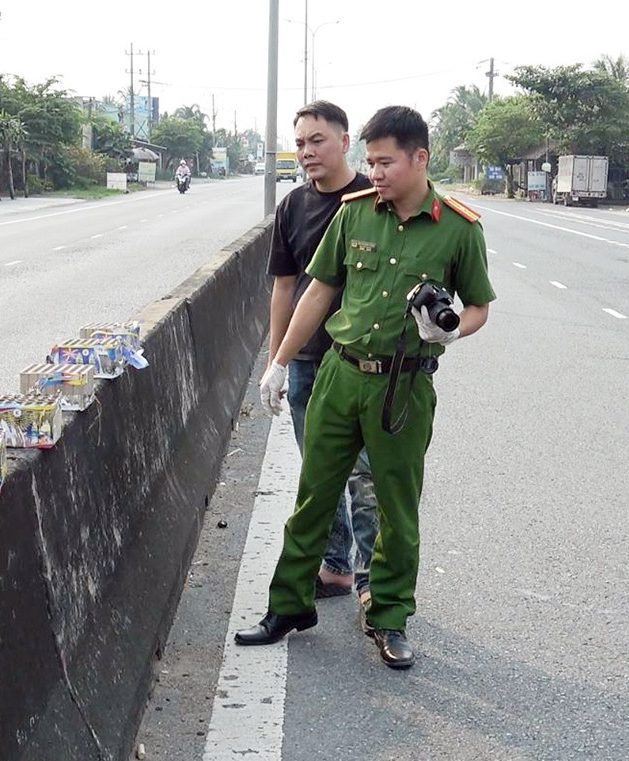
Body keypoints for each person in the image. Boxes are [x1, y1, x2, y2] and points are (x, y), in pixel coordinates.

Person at [234, 106, 496, 669]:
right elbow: (317, 291)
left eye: (385, 162)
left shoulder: (458, 227)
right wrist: (278, 361)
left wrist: (446, 331)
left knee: (396, 508)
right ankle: (290, 606)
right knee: (314, 497)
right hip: (339, 376)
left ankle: (390, 618)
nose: (373, 172)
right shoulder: (353, 216)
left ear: (419, 158)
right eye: (370, 162)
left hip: (401, 391)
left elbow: (478, 307)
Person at [259, 100, 378, 605]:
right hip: (308, 360)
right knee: (318, 471)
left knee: (366, 474)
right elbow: (286, 288)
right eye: (301, 142)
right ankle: (335, 567)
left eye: (317, 141)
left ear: (345, 142)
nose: (307, 152)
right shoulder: (292, 206)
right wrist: (275, 362)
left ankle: (375, 579)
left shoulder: (375, 200)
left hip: (362, 363)